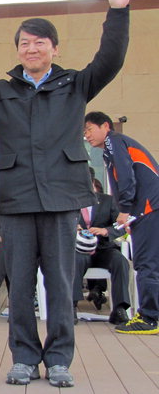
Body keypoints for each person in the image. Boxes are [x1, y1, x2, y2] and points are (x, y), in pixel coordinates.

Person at [0, 0, 137, 387]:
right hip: (17, 201)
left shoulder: (75, 85)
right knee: (22, 283)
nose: (32, 49)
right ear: (18, 51)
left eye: (39, 43)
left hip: (64, 199)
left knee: (63, 282)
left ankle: (60, 358)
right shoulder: (1, 90)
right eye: (24, 44)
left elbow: (111, 59)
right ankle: (25, 358)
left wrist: (117, 11)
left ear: (54, 48)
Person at [84, 111, 159, 334]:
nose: (86, 135)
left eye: (88, 129)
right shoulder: (113, 146)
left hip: (149, 208)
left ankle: (150, 318)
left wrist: (125, 210)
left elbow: (126, 178)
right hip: (144, 210)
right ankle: (150, 313)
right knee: (148, 264)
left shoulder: (114, 141)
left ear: (105, 126)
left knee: (146, 264)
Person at [72, 182, 130, 325]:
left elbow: (121, 225)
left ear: (93, 185)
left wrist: (106, 231)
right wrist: (73, 227)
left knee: (120, 261)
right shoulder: (70, 201)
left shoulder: (108, 201)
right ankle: (71, 306)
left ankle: (119, 308)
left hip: (103, 248)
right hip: (79, 250)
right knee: (73, 260)